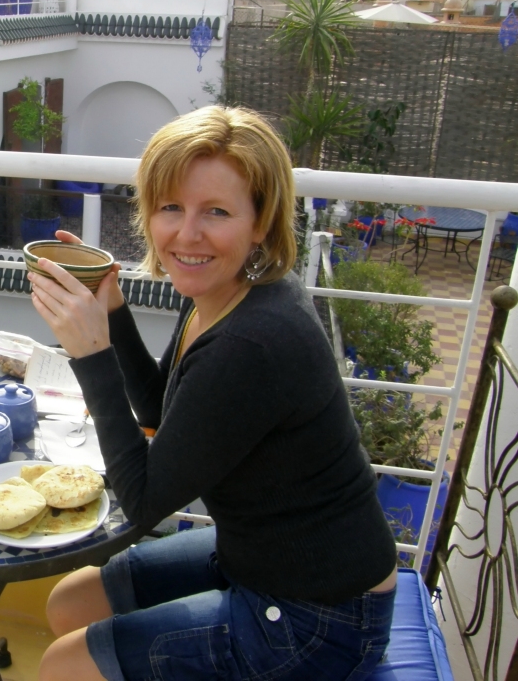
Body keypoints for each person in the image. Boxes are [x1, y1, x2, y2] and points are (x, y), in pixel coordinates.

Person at [27, 106, 398, 681]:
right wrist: (113, 310)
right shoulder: (227, 290)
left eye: (216, 212)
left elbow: (143, 504)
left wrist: (90, 356)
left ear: (260, 222)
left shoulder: (254, 342)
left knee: (62, 667)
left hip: (322, 617)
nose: (186, 234)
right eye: (170, 207)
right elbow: (159, 409)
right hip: (256, 556)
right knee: (69, 603)